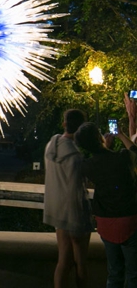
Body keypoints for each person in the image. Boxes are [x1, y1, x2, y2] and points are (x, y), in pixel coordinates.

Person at [76, 122, 137, 288]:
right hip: (128, 220)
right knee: (133, 273)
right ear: (99, 138)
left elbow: (101, 161)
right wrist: (121, 135)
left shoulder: (87, 166)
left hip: (105, 222)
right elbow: (135, 152)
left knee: (114, 271)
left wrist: (103, 147)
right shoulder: (122, 157)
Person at [44, 109, 93, 288]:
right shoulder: (75, 156)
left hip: (59, 213)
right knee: (81, 264)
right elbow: (76, 189)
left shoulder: (52, 145)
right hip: (75, 214)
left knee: (63, 262)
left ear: (64, 124)